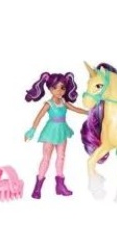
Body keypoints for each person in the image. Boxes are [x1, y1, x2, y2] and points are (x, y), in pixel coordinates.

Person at [24, 71, 88, 199]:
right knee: (46, 158)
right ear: (50, 89)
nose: (59, 91)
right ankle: (38, 187)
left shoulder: (64, 102)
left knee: (61, 157)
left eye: (62, 88)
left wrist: (89, 112)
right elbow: (39, 117)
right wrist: (32, 130)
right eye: (55, 88)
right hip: (50, 132)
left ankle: (60, 186)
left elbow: (76, 109)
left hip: (62, 131)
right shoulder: (48, 104)